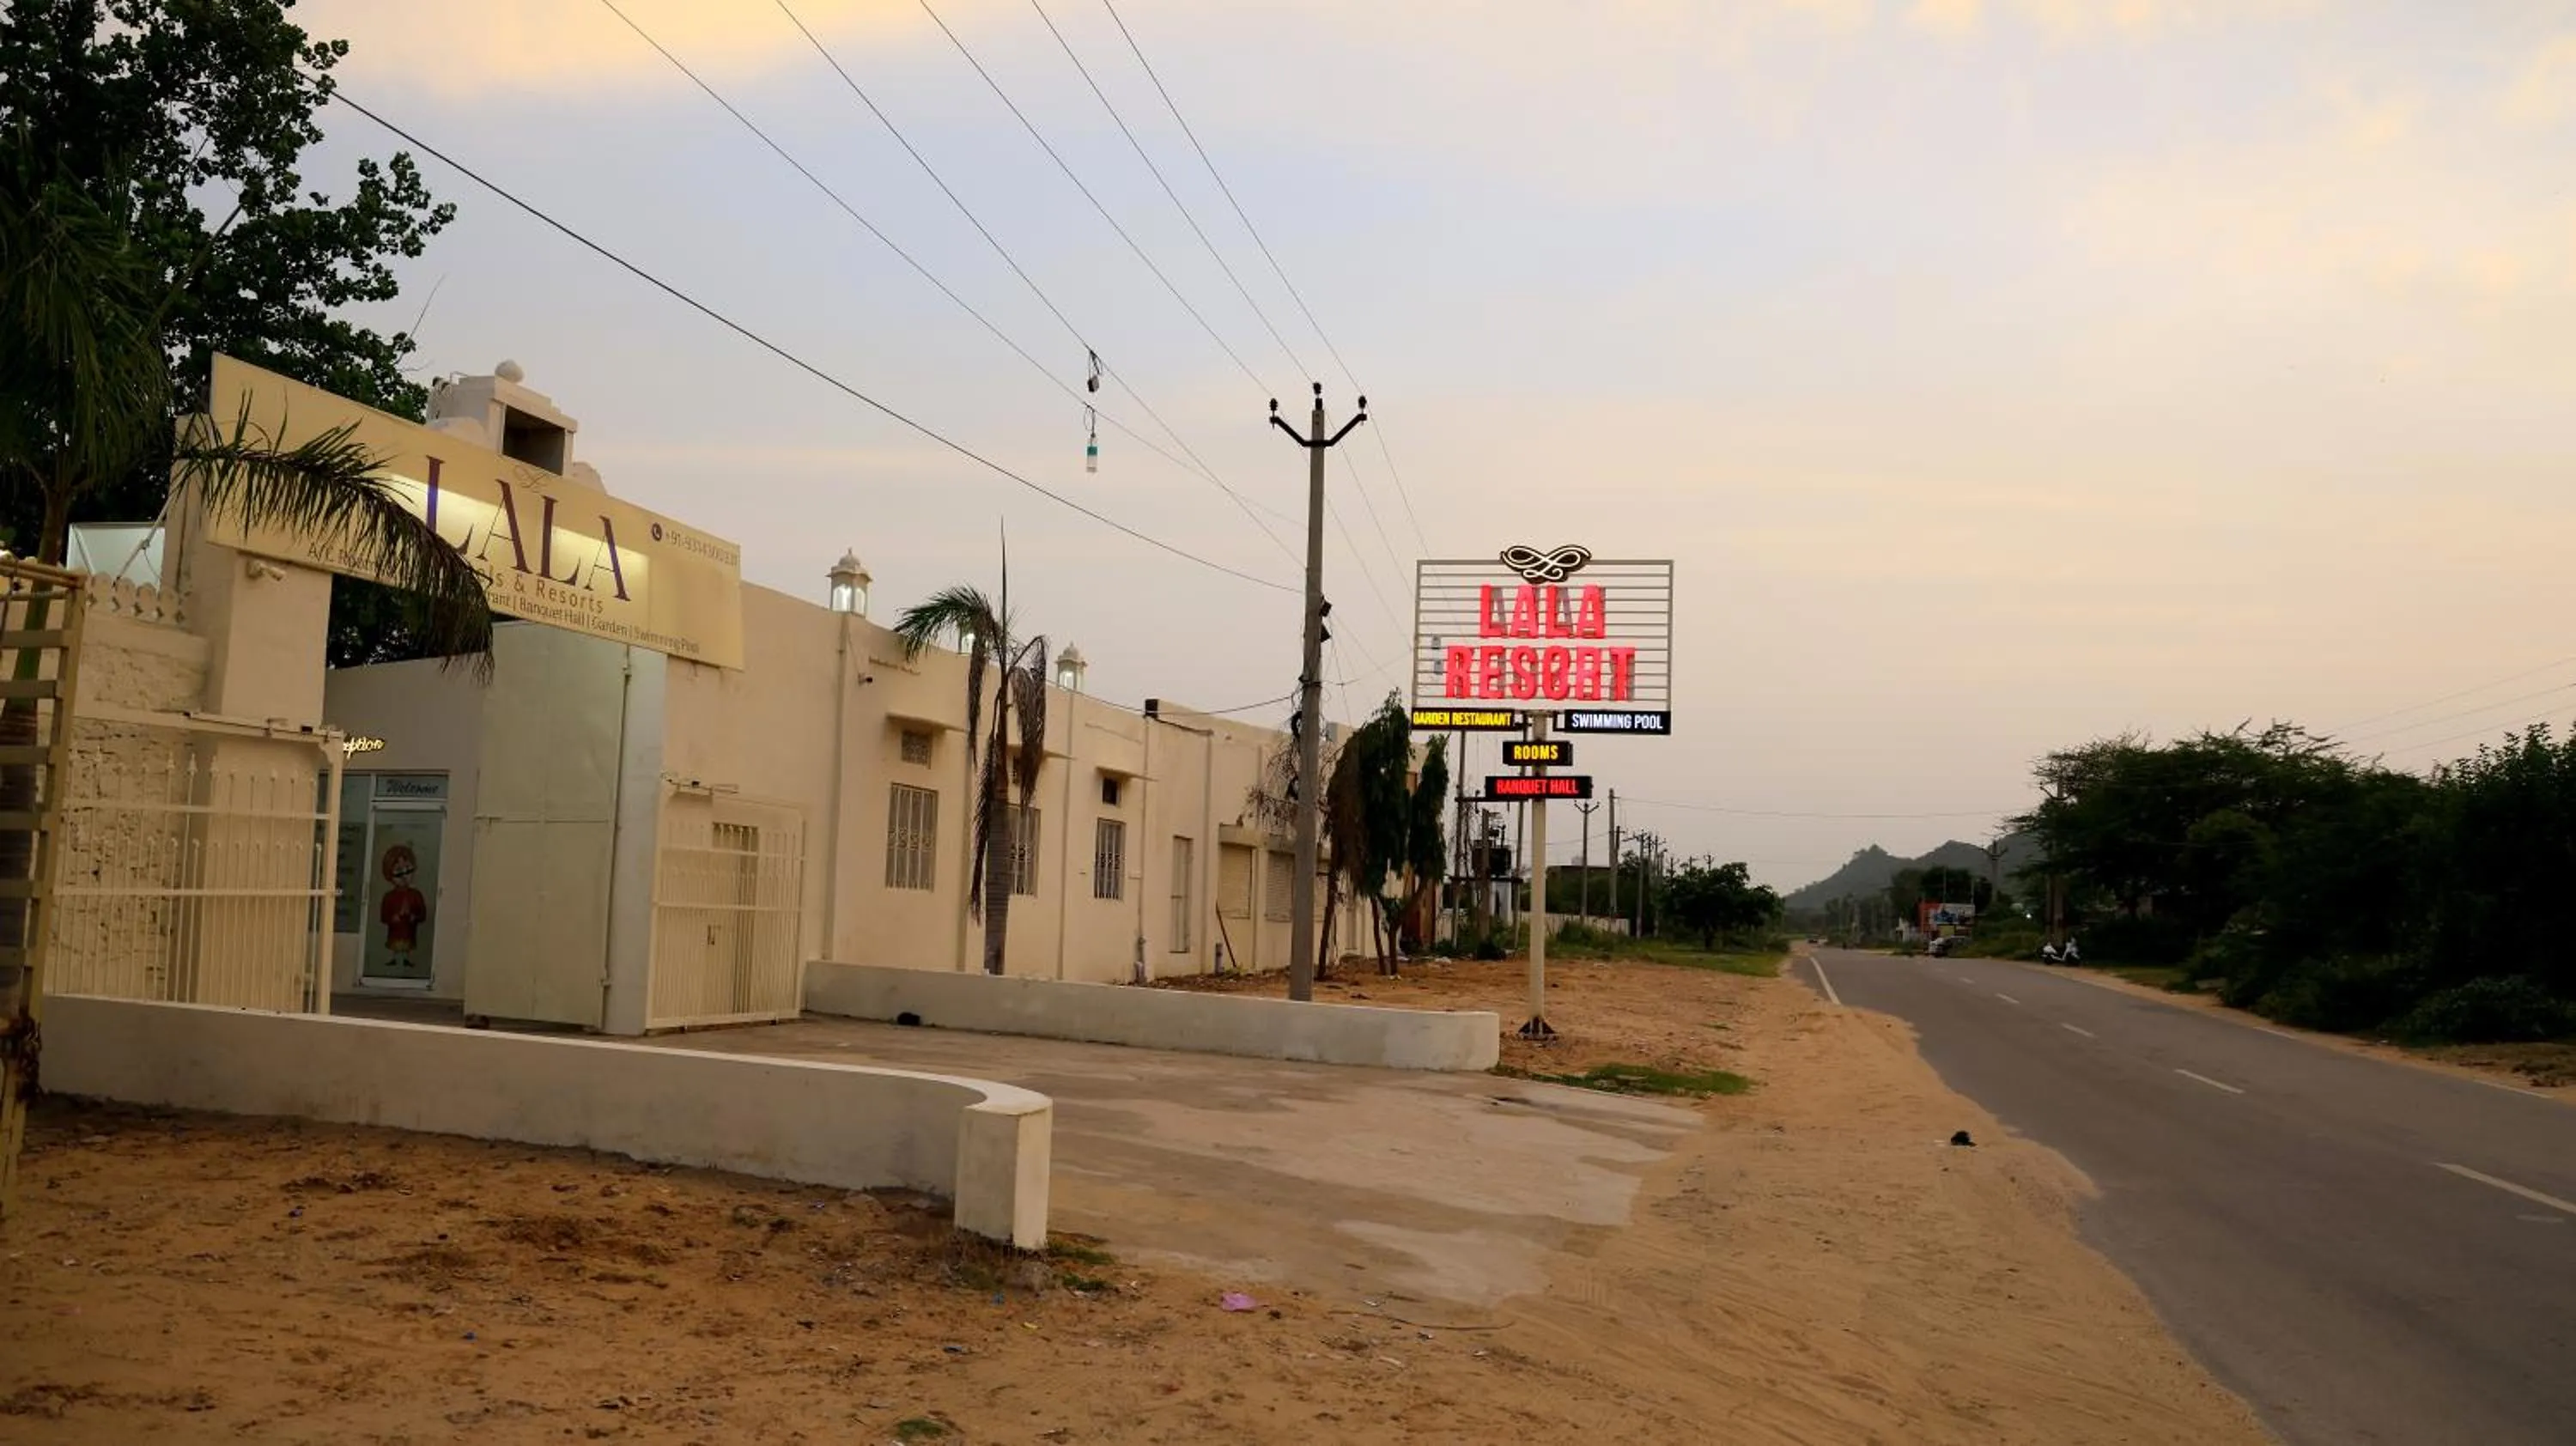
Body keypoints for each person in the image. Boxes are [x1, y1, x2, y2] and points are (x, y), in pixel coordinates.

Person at [377, 843, 428, 975]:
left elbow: (422, 913)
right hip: (396, 930)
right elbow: (384, 915)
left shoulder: (415, 895)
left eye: (408, 871)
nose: (404, 876)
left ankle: (406, 959)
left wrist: (414, 916)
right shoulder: (389, 897)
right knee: (397, 944)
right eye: (399, 873)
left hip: (408, 929)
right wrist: (392, 918)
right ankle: (395, 958)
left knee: (407, 944)